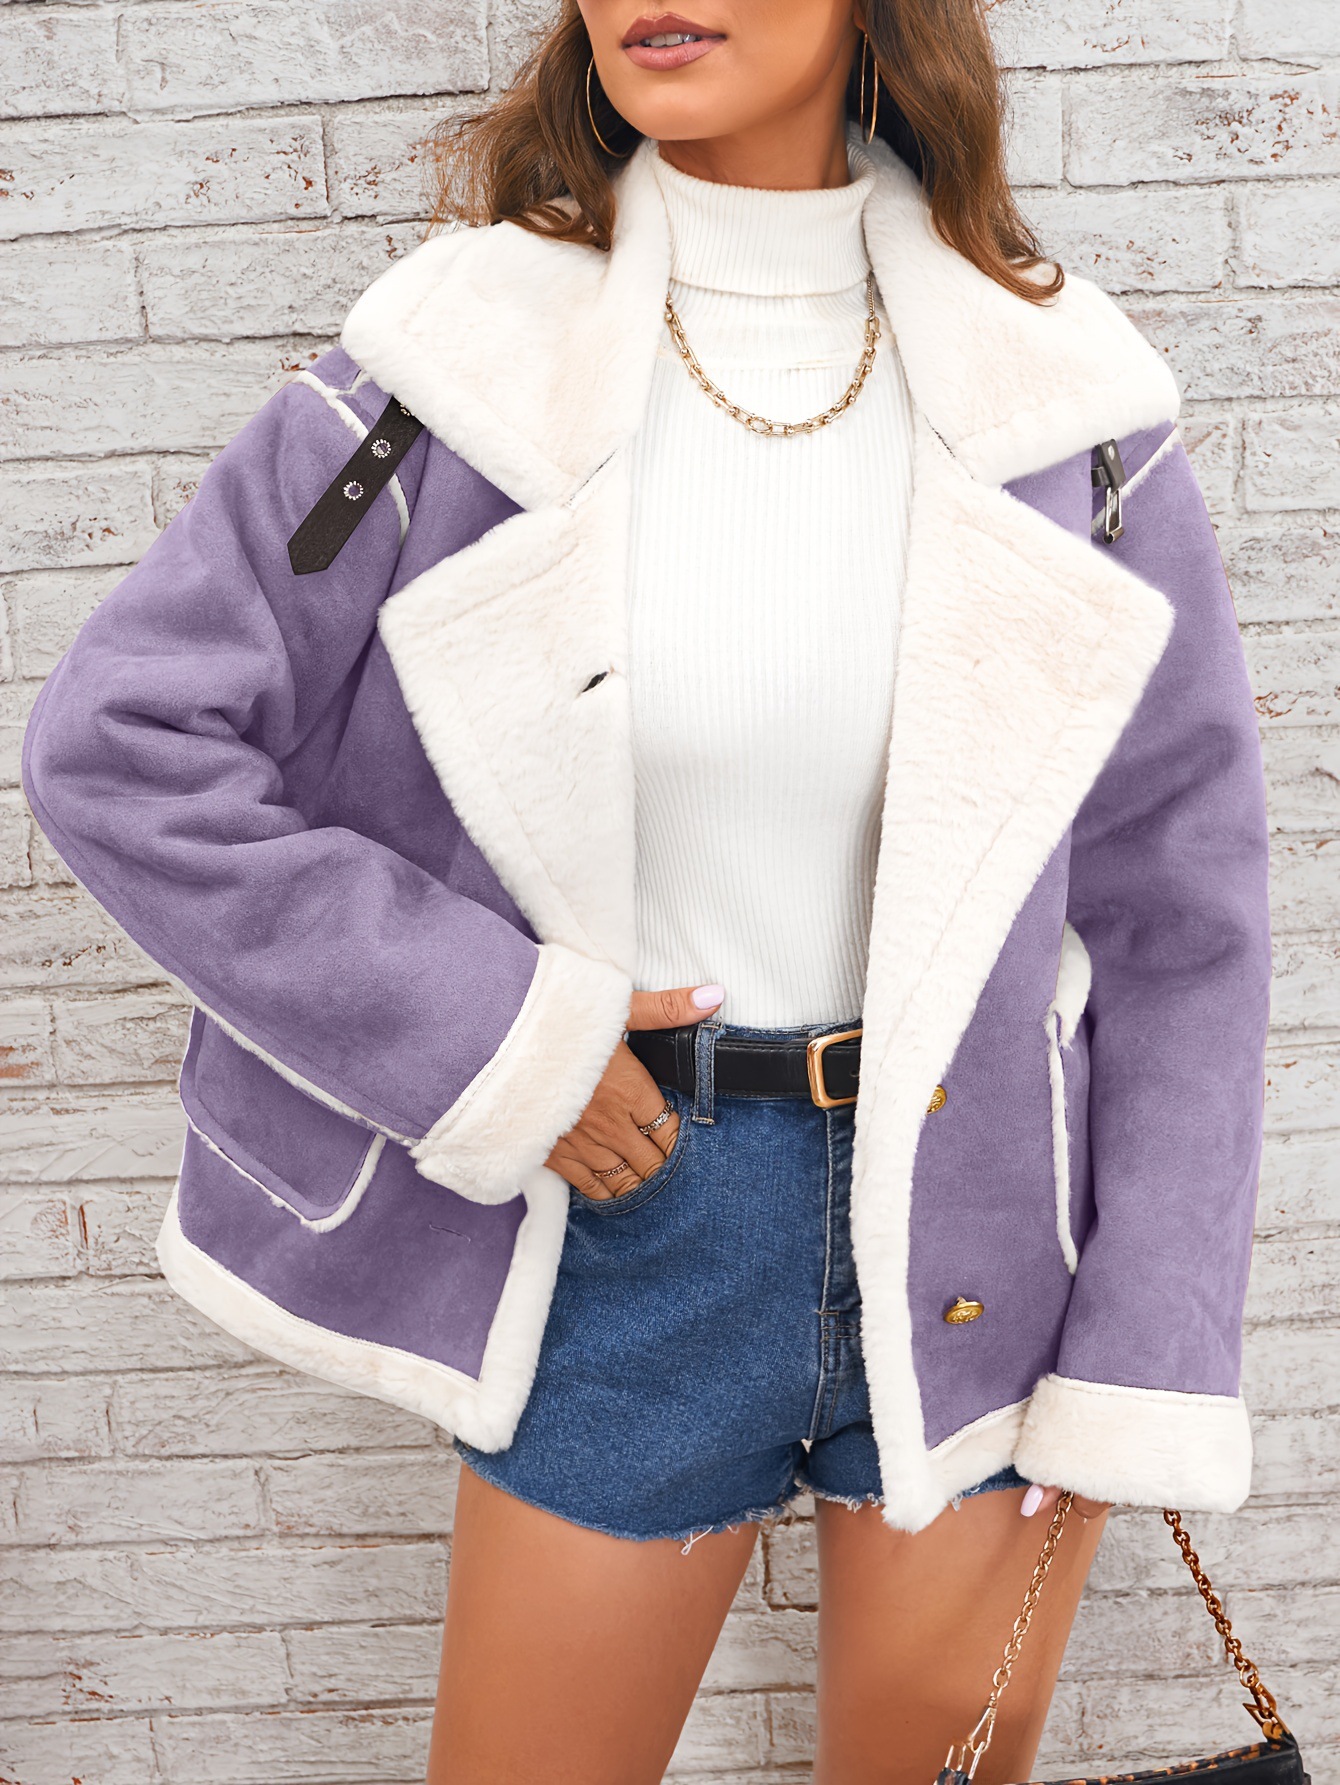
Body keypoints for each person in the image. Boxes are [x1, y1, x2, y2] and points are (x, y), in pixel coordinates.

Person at [20, 1, 1271, 1780]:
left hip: (982, 1241)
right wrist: (497, 1039)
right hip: (632, 1215)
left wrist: (1148, 1339)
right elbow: (125, 745)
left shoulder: (1066, 406)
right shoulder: (447, 374)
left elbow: (1184, 923)